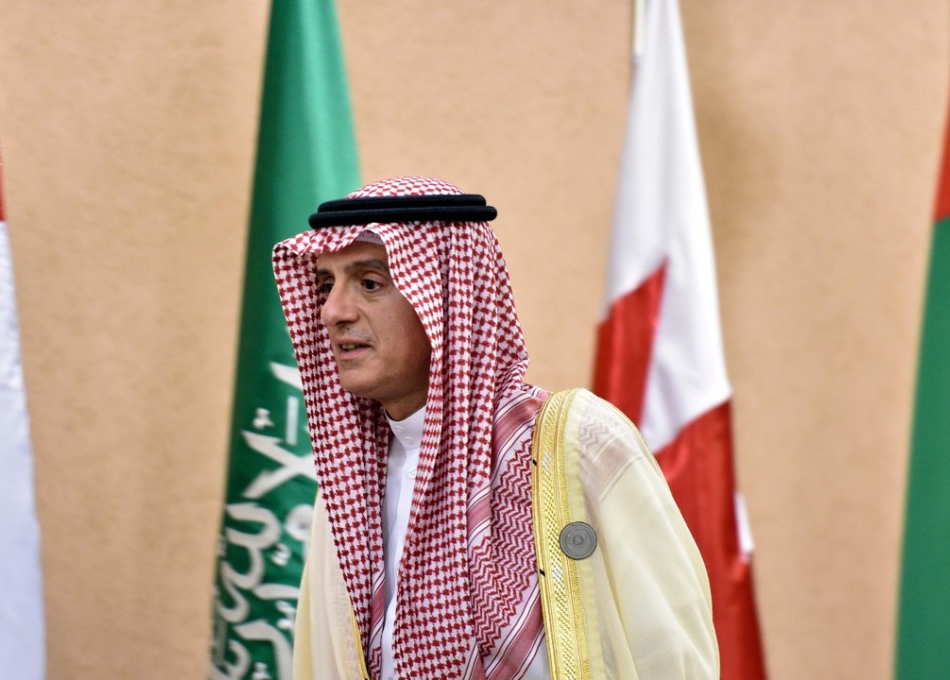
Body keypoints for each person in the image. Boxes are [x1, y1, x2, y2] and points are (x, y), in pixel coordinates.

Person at [274, 176, 719, 679]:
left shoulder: (574, 446)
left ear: (448, 300)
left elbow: (670, 653)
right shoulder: (346, 490)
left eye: (370, 283)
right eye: (325, 285)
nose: (333, 311)